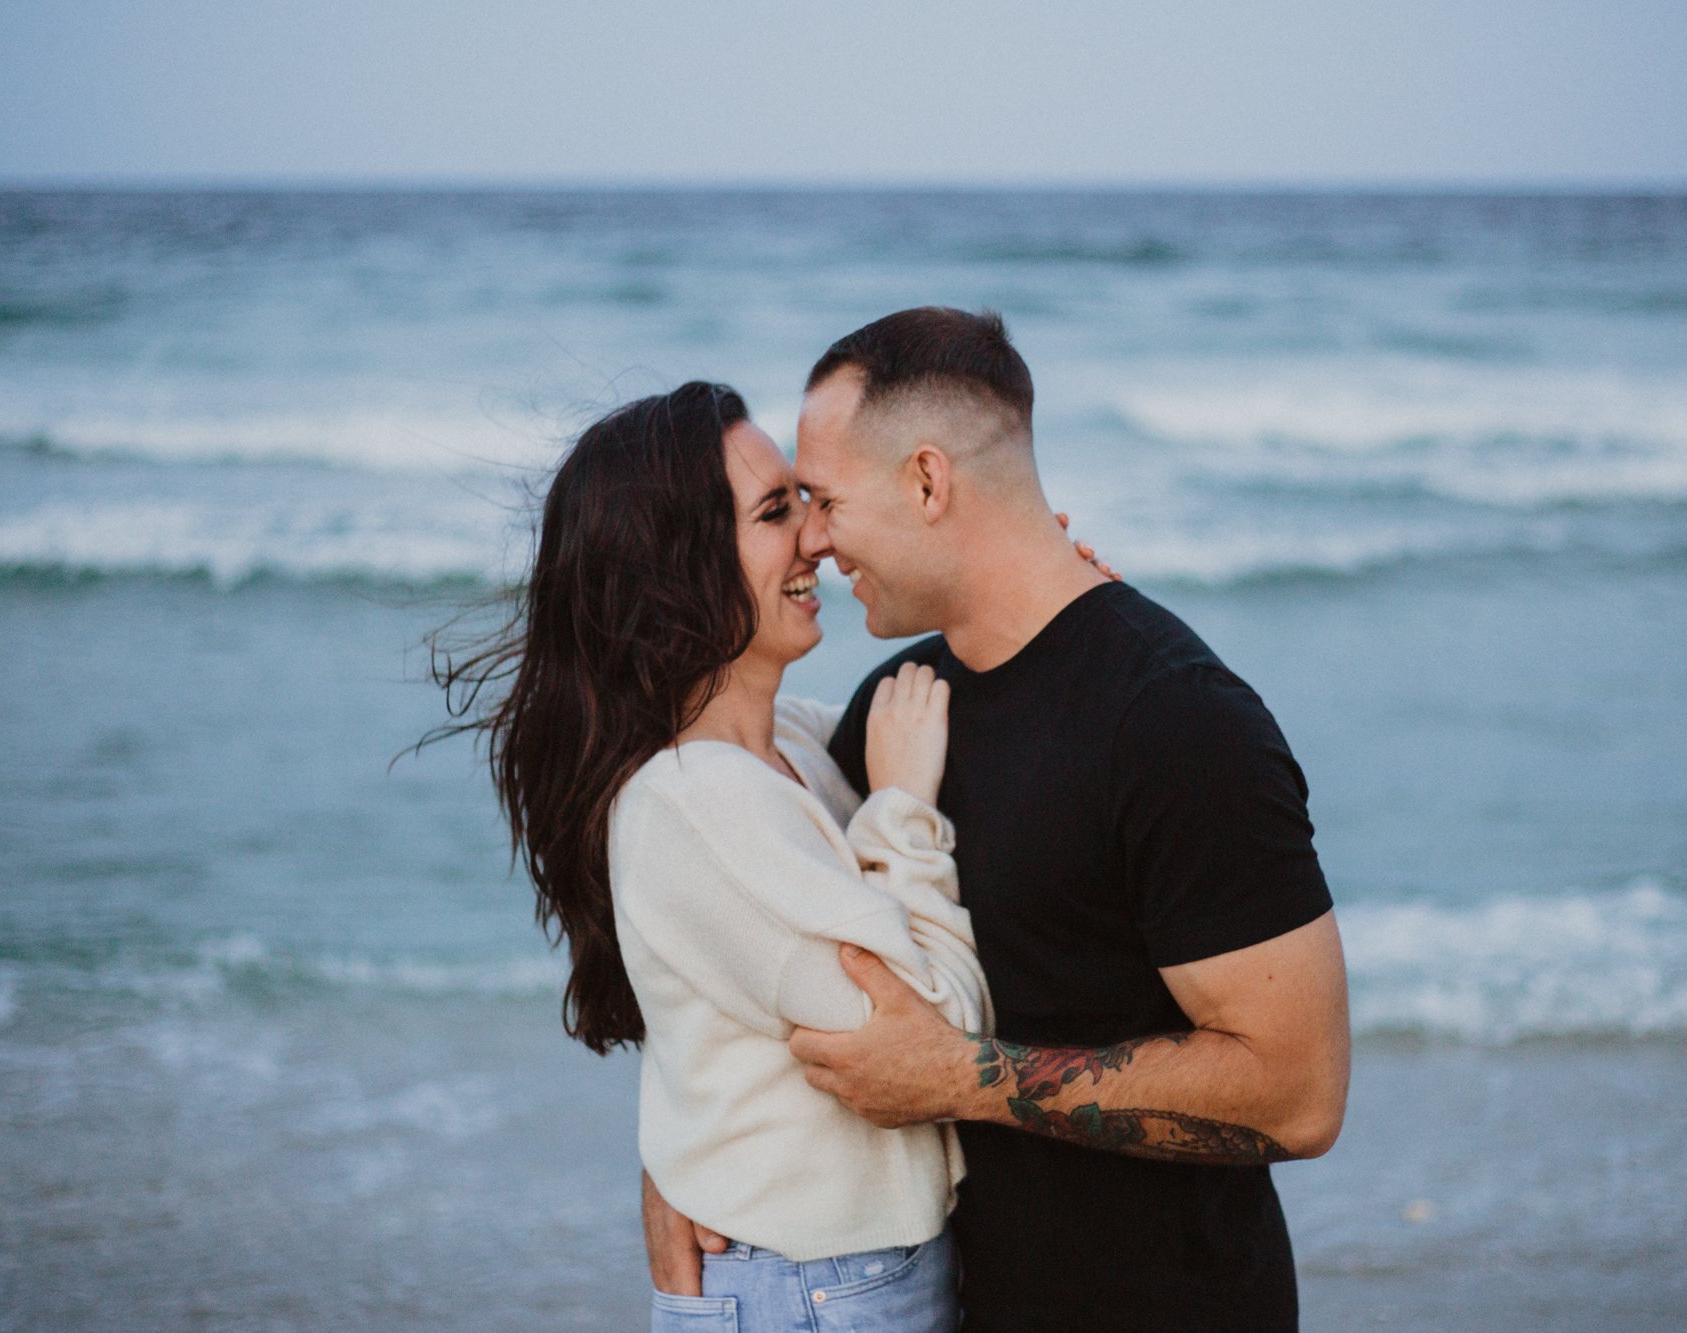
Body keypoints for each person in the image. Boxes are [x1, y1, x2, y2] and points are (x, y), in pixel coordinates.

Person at [644, 310, 1352, 1331]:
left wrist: (959, 1078)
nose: (814, 538)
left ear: (927, 482)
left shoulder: (1177, 719)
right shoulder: (900, 707)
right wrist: (675, 1165)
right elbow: (761, 958)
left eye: (827, 499)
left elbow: (1296, 1091)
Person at [436, 381, 997, 1331]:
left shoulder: (784, 746)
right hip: (818, 1291)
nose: (817, 538)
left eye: (807, 503)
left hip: (843, 1275)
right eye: (777, 512)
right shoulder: (696, 807)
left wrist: (1040, 607)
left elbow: (934, 699)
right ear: (681, 568)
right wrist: (901, 810)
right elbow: (937, 1034)